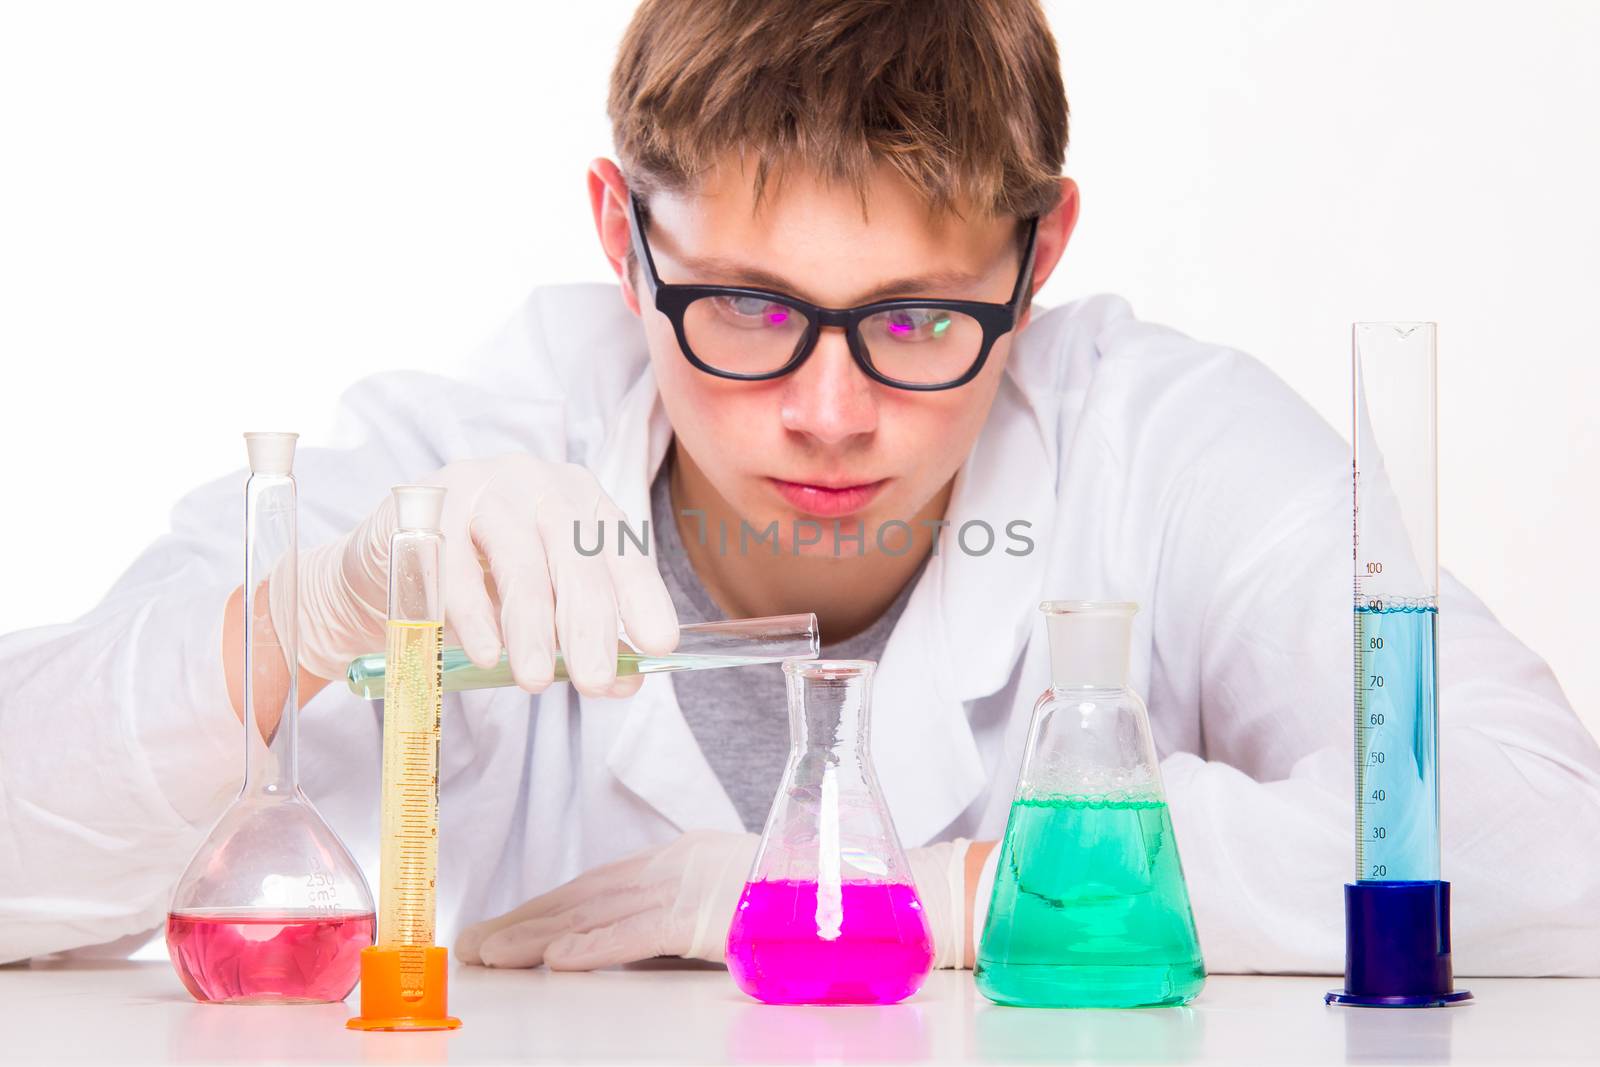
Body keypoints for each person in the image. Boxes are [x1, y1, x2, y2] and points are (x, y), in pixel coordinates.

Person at [2, 0, 1597, 976]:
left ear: (1039, 257)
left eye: (915, 318)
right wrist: (294, 616)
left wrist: (908, 903)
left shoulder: (1161, 447)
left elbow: (1548, 851)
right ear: (623, 241)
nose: (829, 416)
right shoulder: (451, 462)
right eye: (750, 308)